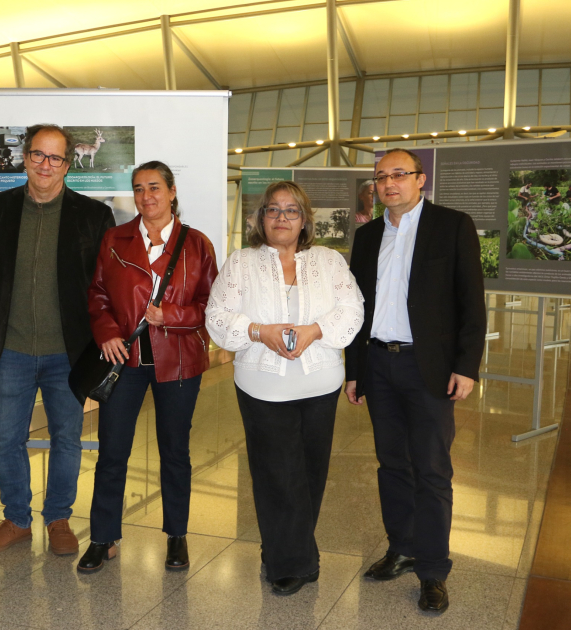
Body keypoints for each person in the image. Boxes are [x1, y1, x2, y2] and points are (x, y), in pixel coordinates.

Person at [344, 148, 485, 613]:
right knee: (391, 464)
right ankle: (401, 548)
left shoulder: (451, 225)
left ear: (420, 180)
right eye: (381, 177)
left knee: (431, 469)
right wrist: (354, 370)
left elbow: (471, 302)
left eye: (399, 175)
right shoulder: (366, 236)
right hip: (379, 364)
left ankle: (432, 569)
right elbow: (356, 309)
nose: (389, 184)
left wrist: (466, 365)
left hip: (428, 367)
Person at [206, 181, 364, 595]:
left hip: (320, 382)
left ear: (305, 220)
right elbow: (217, 316)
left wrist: (315, 330)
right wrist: (259, 331)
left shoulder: (328, 261)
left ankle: (285, 548)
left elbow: (353, 308)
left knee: (311, 472)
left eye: (291, 210)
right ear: (260, 219)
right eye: (273, 210)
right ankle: (289, 562)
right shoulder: (241, 263)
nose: (281, 218)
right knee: (277, 474)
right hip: (262, 386)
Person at [0, 124, 114, 556]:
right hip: (11, 348)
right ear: (25, 157)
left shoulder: (93, 215)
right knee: (4, 439)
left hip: (68, 353)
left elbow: (101, 282)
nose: (45, 165)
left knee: (67, 439)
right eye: (38, 155)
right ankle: (16, 519)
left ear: (68, 164)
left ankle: (58, 518)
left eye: (55, 158)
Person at [77, 161, 218, 573]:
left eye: (154, 187)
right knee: (112, 451)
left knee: (175, 452)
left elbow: (212, 305)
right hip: (125, 359)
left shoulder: (197, 244)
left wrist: (171, 315)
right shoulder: (115, 239)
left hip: (179, 362)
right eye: (138, 189)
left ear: (172, 192)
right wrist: (105, 331)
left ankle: (177, 536)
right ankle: (103, 537)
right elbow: (98, 294)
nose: (146, 196)